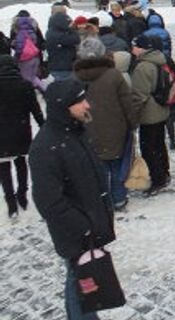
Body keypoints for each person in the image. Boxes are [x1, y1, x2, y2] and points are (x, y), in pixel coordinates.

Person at [29, 79, 116, 320]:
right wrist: (84, 227)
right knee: (81, 281)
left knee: (82, 280)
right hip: (77, 232)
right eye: (80, 101)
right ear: (65, 107)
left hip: (91, 223)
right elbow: (48, 202)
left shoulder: (76, 132)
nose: (87, 104)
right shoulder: (45, 148)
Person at [73, 38, 135, 210]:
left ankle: (101, 198)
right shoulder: (113, 75)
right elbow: (126, 103)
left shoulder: (76, 78)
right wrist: (132, 122)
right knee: (116, 165)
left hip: (87, 129)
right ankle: (119, 198)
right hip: (115, 126)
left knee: (96, 167)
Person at [0, 55, 44, 218]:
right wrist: (43, 126)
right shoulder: (24, 85)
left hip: (1, 134)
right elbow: (35, 108)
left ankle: (10, 201)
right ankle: (22, 195)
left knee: (3, 168)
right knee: (21, 163)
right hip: (21, 130)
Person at [130, 35, 171, 195]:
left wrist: (133, 116)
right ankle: (164, 172)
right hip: (161, 109)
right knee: (159, 144)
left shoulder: (143, 67)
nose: (132, 50)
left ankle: (157, 178)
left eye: (134, 46)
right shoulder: (160, 60)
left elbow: (139, 96)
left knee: (149, 148)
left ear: (142, 48)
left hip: (149, 113)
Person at [46, 11, 81, 81]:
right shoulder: (57, 35)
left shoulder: (53, 32)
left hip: (59, 66)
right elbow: (76, 39)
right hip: (62, 68)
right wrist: (72, 29)